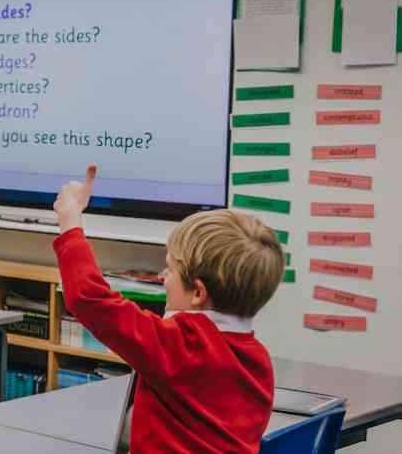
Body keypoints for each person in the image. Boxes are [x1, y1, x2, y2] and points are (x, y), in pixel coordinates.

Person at [52, 165, 285, 453]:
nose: (163, 276)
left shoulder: (181, 345)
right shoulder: (258, 359)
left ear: (198, 292)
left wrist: (70, 221)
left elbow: (89, 298)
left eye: (171, 269)